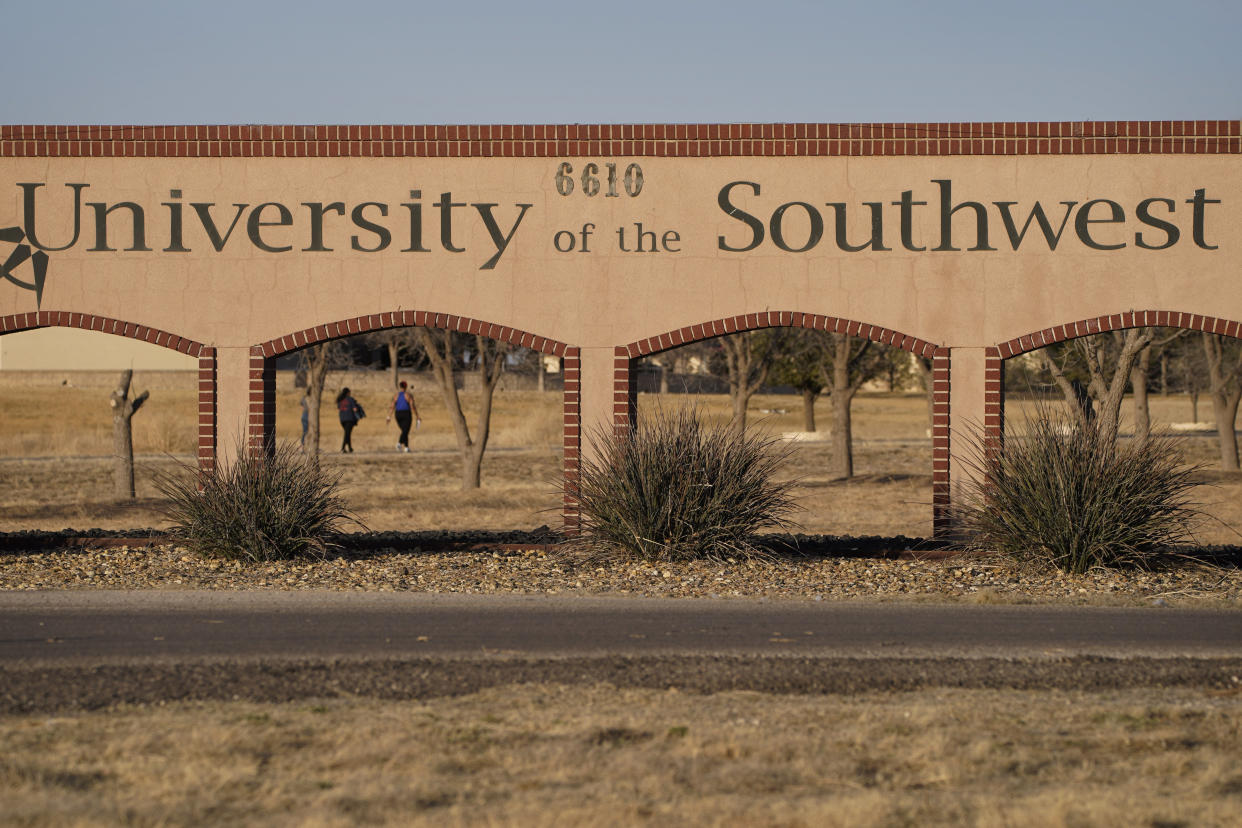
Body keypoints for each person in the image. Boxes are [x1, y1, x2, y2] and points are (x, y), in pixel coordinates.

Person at [386, 380, 421, 452]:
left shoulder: (396, 395)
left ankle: (406, 448)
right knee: (405, 430)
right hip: (406, 414)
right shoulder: (408, 395)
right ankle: (399, 443)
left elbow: (392, 406)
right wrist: (417, 416)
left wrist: (389, 417)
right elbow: (412, 406)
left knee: (404, 431)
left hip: (398, 414)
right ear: (406, 386)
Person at [336, 387, 363, 452]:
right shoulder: (351, 400)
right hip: (350, 419)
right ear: (348, 393)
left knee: (347, 433)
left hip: (342, 419)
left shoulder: (340, 400)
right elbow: (355, 409)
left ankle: (350, 448)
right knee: (347, 434)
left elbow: (339, 408)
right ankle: (342, 448)